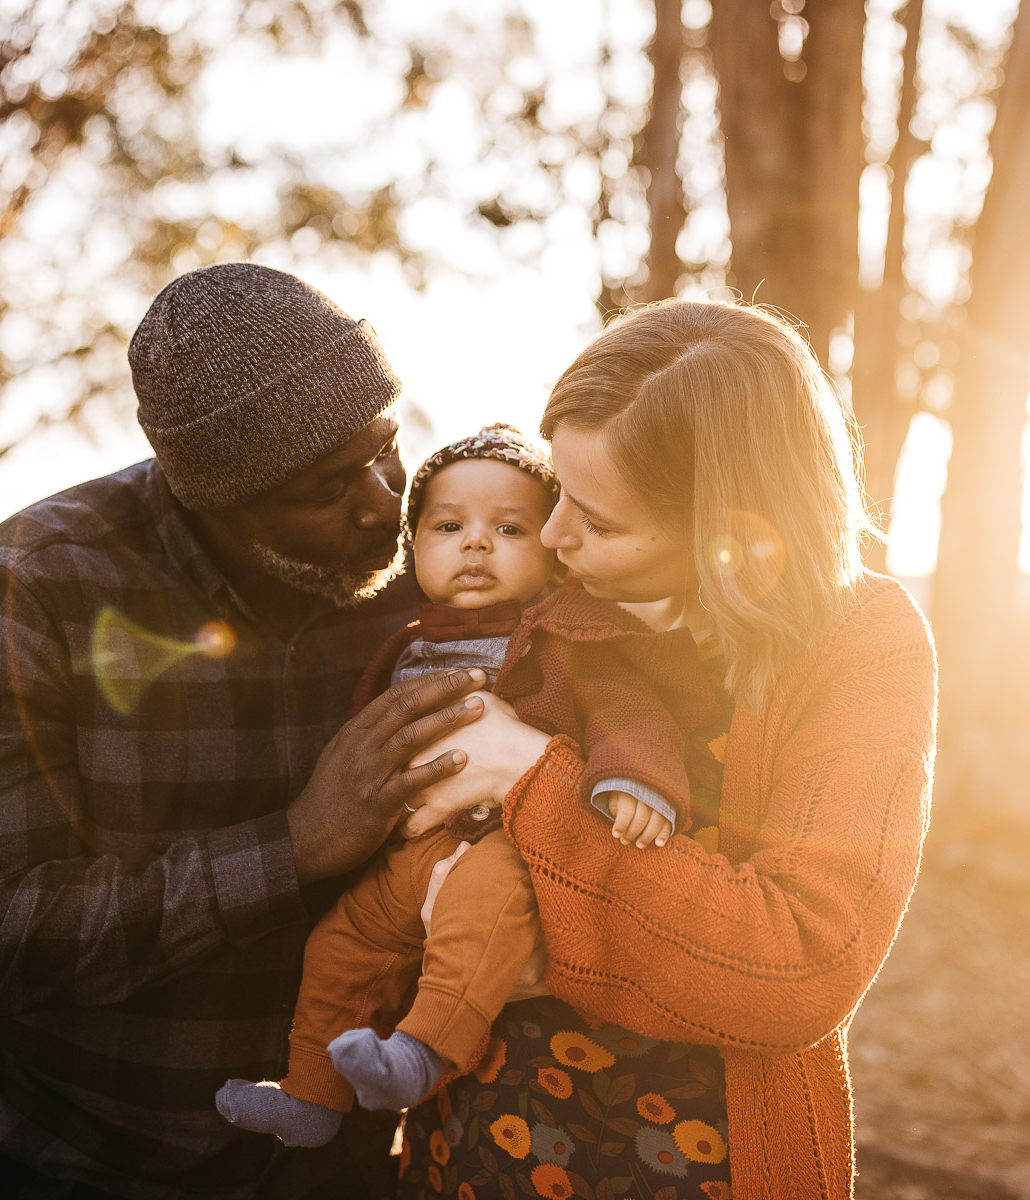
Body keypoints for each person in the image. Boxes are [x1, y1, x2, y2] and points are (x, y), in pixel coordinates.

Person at [0, 263, 493, 1199]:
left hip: (343, 1167)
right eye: (328, 484)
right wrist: (291, 847)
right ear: (212, 498)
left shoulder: (431, 561)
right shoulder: (22, 593)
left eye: (386, 445)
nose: (383, 500)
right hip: (84, 1165)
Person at [391, 300, 938, 1199]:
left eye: (599, 524)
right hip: (475, 1127)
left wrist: (528, 777)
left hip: (693, 1157)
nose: (555, 535)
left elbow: (799, 969)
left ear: (730, 530)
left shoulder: (858, 643)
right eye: (558, 494)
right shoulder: (535, 594)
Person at [218, 424, 727, 1149]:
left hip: (506, 842)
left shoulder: (567, 633)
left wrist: (633, 779)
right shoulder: (406, 639)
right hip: (410, 849)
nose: (476, 544)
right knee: (340, 946)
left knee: (474, 928)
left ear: (552, 550)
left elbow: (629, 708)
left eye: (509, 528)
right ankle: (311, 1094)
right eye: (449, 526)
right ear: (413, 546)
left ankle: (421, 1054)